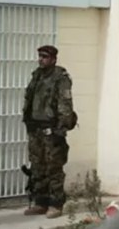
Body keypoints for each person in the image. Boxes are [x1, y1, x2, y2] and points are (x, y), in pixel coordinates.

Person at [22, 44, 78, 218]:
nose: (41, 60)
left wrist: (60, 128)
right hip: (36, 129)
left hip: (52, 129)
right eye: (40, 56)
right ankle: (40, 202)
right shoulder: (37, 75)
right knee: (37, 166)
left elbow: (65, 105)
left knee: (54, 167)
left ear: (53, 59)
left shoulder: (60, 78)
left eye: (45, 57)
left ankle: (56, 203)